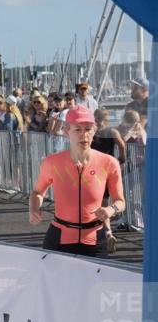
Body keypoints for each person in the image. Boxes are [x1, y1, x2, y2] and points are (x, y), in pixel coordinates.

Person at [29, 106, 124, 258]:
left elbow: (120, 201)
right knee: (55, 282)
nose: (83, 135)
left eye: (88, 129)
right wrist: (34, 209)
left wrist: (110, 210)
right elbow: (38, 192)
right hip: (59, 239)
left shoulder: (109, 163)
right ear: (67, 131)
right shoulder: (52, 162)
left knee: (95, 282)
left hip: (95, 240)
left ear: (94, 131)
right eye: (77, 129)